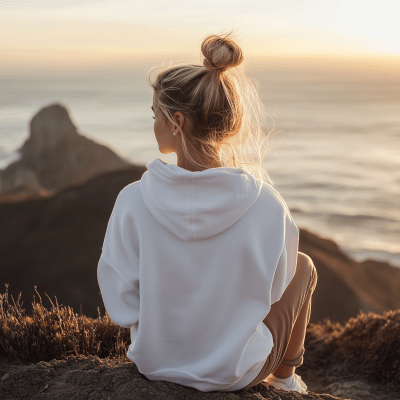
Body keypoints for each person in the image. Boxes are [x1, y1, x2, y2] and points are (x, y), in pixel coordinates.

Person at [97, 33, 318, 393]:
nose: (154, 124)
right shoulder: (266, 204)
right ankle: (286, 379)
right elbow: (276, 289)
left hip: (155, 365)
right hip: (237, 374)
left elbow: (121, 306)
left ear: (178, 122)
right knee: (304, 265)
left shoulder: (132, 200)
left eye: (157, 115)